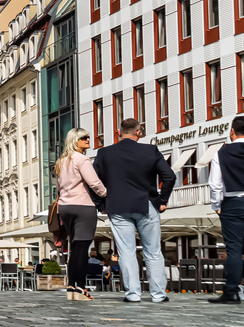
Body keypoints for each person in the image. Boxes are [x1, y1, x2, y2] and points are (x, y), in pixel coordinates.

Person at [92, 116, 175, 304]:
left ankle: (133, 294)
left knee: (126, 252)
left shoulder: (105, 153)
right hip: (146, 204)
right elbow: (169, 176)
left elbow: (93, 182)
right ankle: (158, 295)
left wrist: (101, 204)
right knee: (153, 251)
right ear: (139, 132)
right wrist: (162, 200)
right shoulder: (150, 151)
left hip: (118, 206)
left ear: (119, 133)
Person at [54, 127, 106, 301]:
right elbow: (94, 183)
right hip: (83, 206)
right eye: (84, 138)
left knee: (75, 248)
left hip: (65, 207)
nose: (88, 140)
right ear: (75, 141)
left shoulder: (61, 161)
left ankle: (71, 286)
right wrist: (106, 194)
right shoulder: (82, 159)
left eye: (88, 137)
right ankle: (81, 288)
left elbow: (60, 187)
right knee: (82, 248)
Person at [209, 113, 244, 302]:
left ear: (232, 132)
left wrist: (216, 205)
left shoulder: (221, 153)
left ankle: (231, 291)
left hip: (232, 203)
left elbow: (215, 184)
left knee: (234, 249)